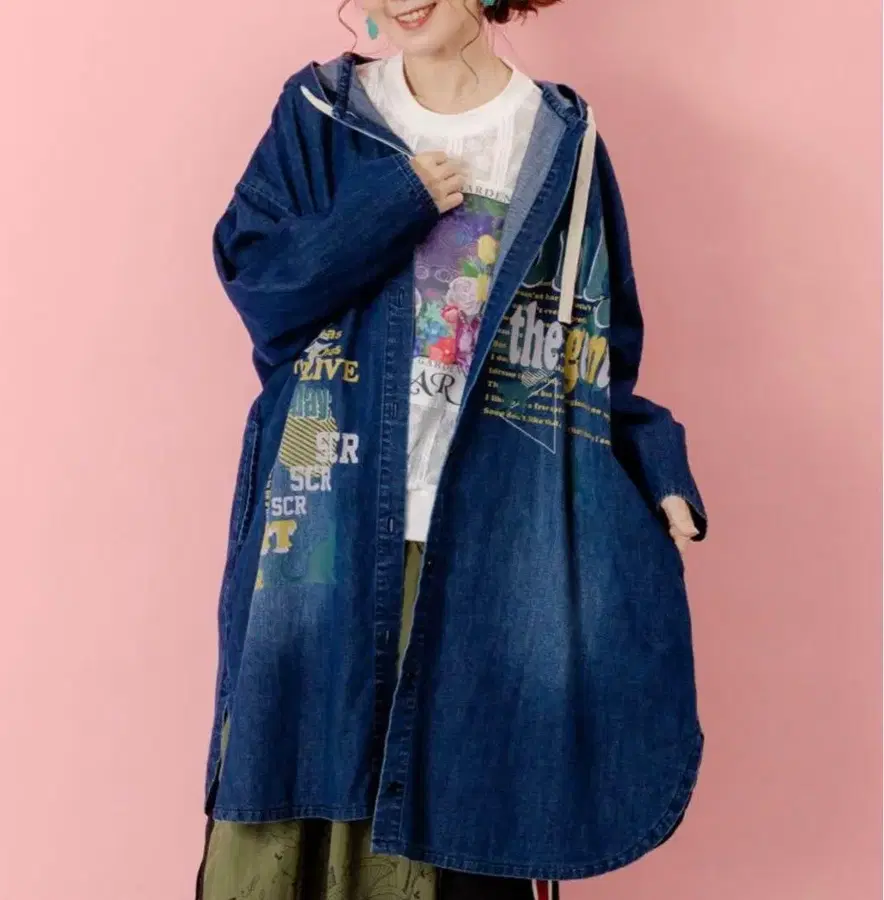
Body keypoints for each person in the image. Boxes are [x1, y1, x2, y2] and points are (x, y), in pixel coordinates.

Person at [197, 1, 709, 898]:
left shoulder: (561, 140)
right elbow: (263, 290)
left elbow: (592, 352)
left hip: (487, 532)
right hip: (320, 510)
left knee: (463, 799)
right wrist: (391, 203)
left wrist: (652, 459)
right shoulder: (321, 113)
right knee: (290, 780)